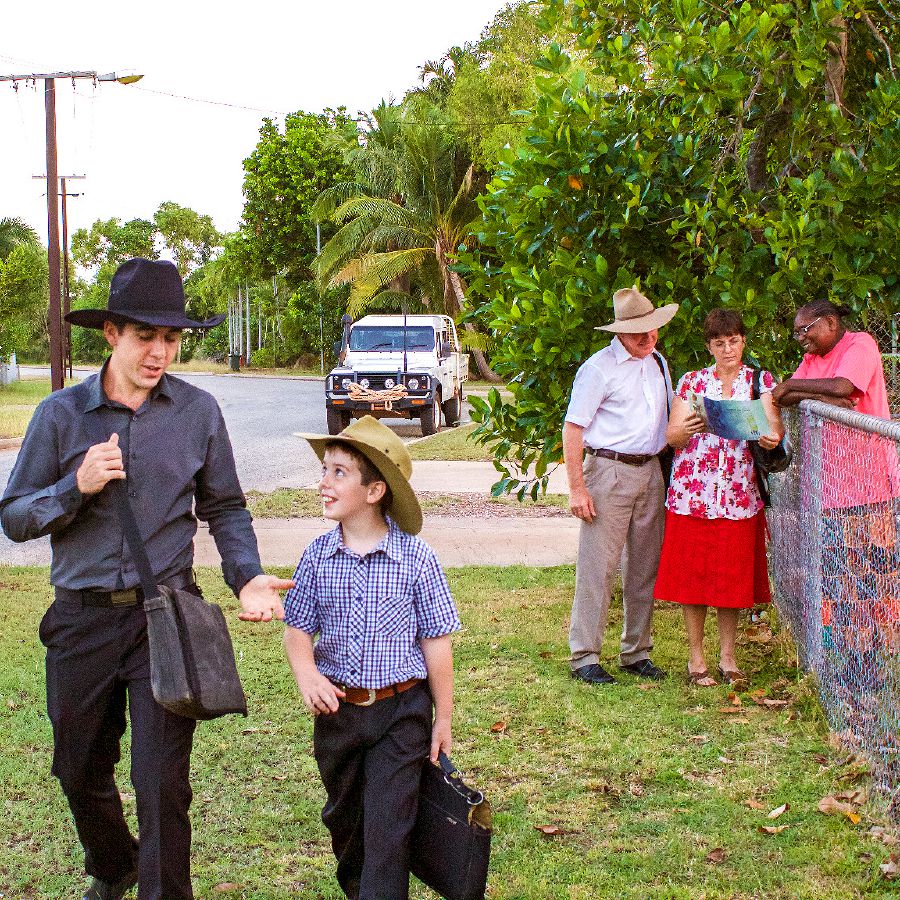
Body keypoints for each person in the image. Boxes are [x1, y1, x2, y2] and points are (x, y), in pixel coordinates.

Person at [0, 258, 293, 900]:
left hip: (165, 617)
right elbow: (14, 517)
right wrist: (72, 488)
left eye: (172, 338)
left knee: (163, 785)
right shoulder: (59, 416)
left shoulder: (198, 412)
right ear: (110, 333)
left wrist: (244, 577)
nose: (160, 351)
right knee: (78, 768)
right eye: (144, 336)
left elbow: (225, 506)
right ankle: (112, 867)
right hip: (82, 620)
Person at [283, 415, 461, 900]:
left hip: (401, 713)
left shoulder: (416, 559)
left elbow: (437, 640)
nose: (323, 483)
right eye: (324, 470)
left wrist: (441, 717)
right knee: (347, 827)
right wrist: (307, 674)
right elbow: (298, 629)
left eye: (338, 473)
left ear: (375, 490)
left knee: (389, 832)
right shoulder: (317, 556)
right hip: (337, 716)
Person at [772, 298, 898, 720]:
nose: (800, 338)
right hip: (830, 490)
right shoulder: (814, 359)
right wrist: (811, 394)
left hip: (869, 488)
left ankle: (876, 668)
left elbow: (846, 388)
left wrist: (809, 393)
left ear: (829, 323)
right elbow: (784, 393)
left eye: (805, 330)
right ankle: (848, 665)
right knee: (840, 578)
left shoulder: (860, 345)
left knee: (874, 577)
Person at [653, 309, 784, 686]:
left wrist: (768, 437)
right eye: (719, 343)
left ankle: (728, 658)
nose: (728, 349)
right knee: (692, 578)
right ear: (709, 346)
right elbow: (671, 437)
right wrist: (688, 428)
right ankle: (696, 660)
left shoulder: (760, 380)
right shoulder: (692, 382)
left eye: (734, 341)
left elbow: (772, 430)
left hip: (738, 494)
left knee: (731, 578)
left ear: (743, 341)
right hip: (693, 493)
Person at [563, 286, 678, 685]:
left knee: (644, 564)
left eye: (653, 332)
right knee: (599, 565)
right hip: (609, 471)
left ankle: (636, 651)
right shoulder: (598, 369)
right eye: (639, 334)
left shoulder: (657, 362)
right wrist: (578, 488)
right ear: (618, 334)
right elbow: (573, 428)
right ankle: (585, 655)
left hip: (650, 470)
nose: (648, 340)